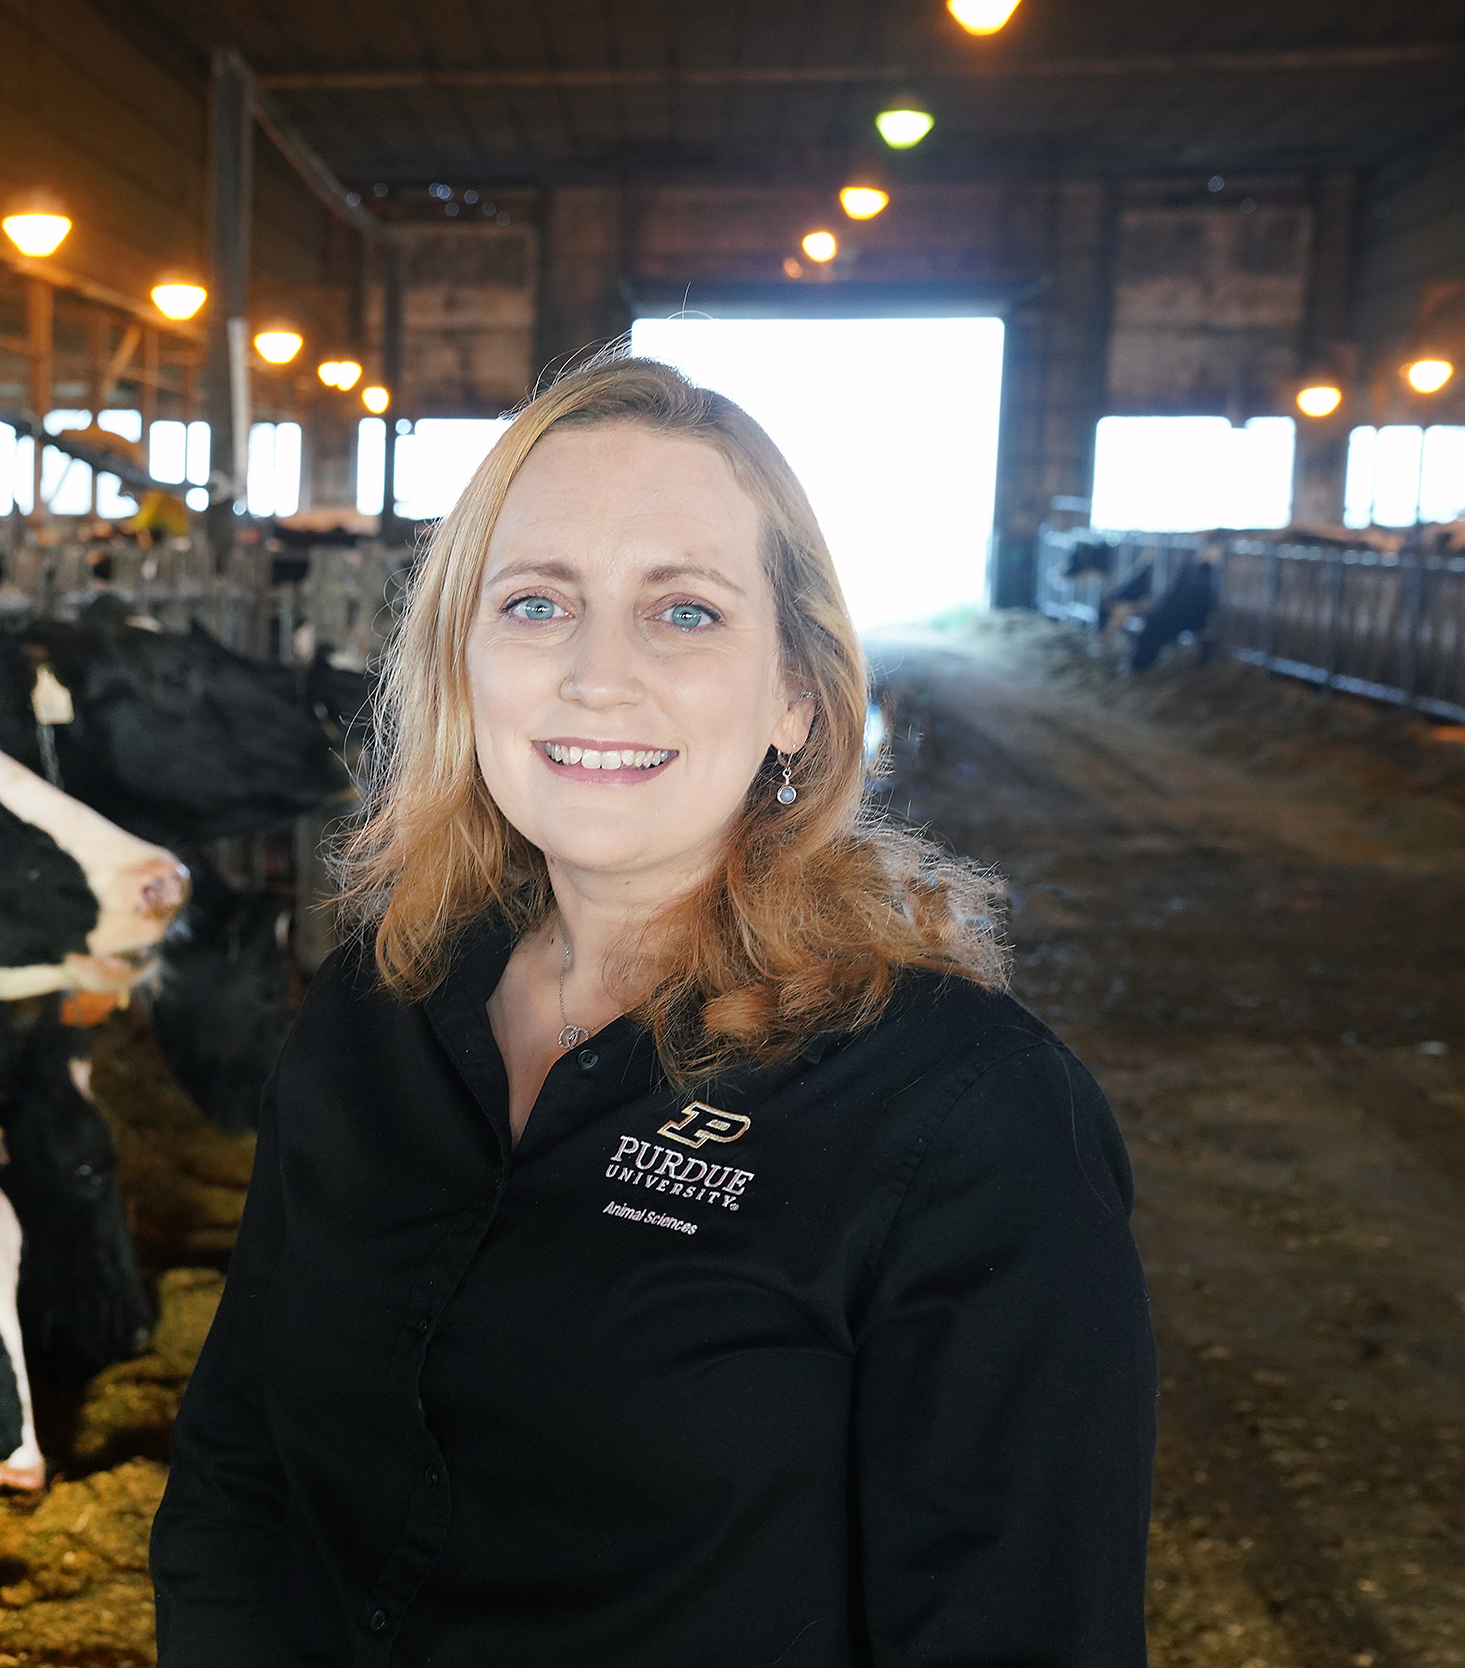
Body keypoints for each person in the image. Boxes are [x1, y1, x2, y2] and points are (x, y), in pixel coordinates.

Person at [149, 352, 1156, 1666]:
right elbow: (238, 1467)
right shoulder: (374, 1005)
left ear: (798, 693)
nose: (597, 677)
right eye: (534, 604)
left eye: (684, 613)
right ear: (462, 664)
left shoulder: (966, 1119)